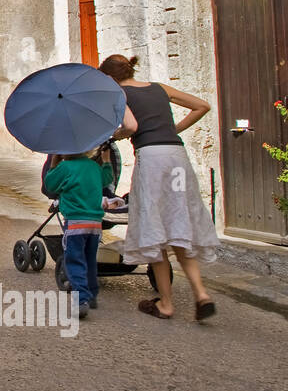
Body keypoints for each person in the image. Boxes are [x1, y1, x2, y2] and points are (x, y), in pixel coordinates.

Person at [99, 54, 218, 322]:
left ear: (109, 77)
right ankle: (201, 294)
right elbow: (202, 105)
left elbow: (131, 126)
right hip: (176, 156)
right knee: (178, 222)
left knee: (154, 229)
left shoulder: (119, 93)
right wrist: (173, 129)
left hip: (151, 159)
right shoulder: (159, 88)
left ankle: (166, 304)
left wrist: (116, 135)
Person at [44, 146, 117, 319]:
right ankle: (92, 294)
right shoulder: (93, 166)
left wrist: (54, 164)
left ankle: (82, 299)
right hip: (95, 225)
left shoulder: (65, 167)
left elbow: (50, 184)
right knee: (90, 260)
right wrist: (106, 160)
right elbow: (107, 178)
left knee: (75, 261)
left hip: (76, 223)